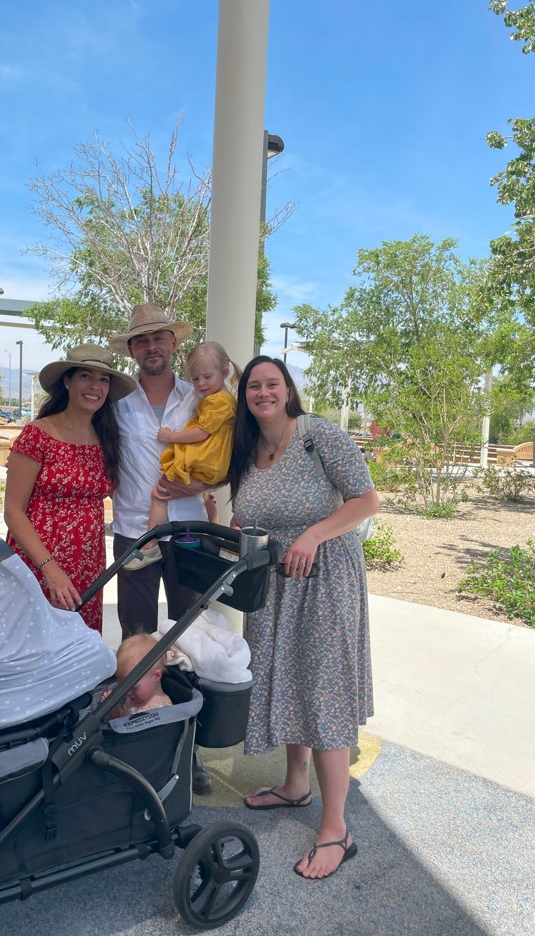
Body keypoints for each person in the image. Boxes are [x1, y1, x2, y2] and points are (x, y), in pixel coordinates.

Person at [228, 356, 380, 880]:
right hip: (274, 584)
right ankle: (296, 785)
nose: (263, 393)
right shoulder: (247, 448)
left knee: (323, 690)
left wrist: (314, 534)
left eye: (272, 383)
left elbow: (367, 500)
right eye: (254, 386)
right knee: (288, 681)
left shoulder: (320, 437)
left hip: (324, 581)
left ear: (288, 390)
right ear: (245, 396)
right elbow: (245, 514)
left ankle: (337, 829)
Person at [109, 303, 213, 794]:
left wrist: (200, 487)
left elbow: (226, 455)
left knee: (190, 634)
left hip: (189, 530)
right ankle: (137, 739)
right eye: (142, 340)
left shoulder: (201, 398)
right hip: (134, 529)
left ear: (174, 343)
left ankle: (189, 748)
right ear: (131, 350)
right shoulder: (116, 404)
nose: (151, 347)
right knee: (136, 633)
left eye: (159, 338)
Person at [4, 343, 136, 634]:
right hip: (39, 562)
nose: (95, 386)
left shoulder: (107, 437)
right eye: (86, 376)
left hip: (88, 562)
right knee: (34, 640)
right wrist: (49, 568)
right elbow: (13, 511)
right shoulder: (38, 434)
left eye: (103, 380)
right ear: (67, 381)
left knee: (78, 644)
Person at [124, 340, 238, 570]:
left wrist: (171, 436)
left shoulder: (215, 400)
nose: (201, 383)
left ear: (224, 373)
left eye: (207, 377)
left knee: (159, 492)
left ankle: (149, 545)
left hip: (202, 469)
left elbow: (203, 432)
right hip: (131, 523)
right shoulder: (121, 399)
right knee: (162, 492)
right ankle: (150, 543)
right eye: (196, 378)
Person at [106, 634, 173, 719]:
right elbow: (123, 719)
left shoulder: (162, 710)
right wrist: (113, 710)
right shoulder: (134, 696)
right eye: (123, 686)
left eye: (134, 687)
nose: (127, 692)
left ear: (156, 676)